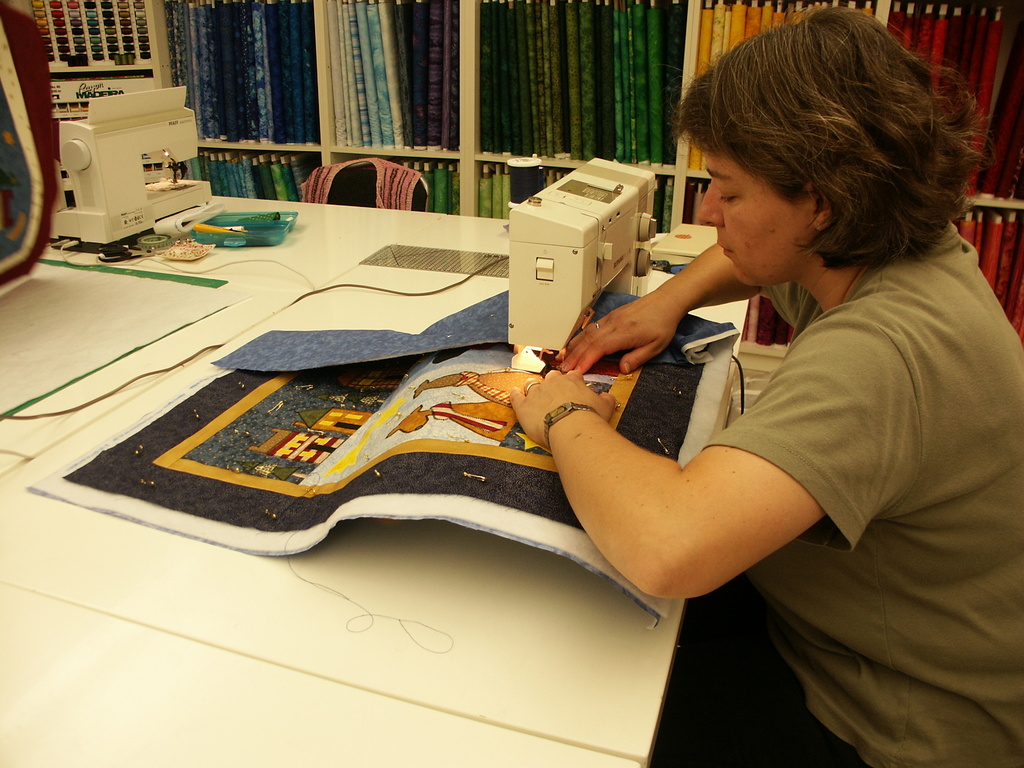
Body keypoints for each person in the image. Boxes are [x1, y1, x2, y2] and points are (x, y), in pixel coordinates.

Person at [509, 7, 1024, 768]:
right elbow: (742, 259)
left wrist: (564, 412)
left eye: (729, 190)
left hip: (883, 722)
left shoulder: (882, 352)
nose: (707, 212)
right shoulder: (884, 246)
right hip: (836, 629)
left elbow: (668, 546)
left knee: (556, 715)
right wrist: (668, 299)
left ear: (820, 203)